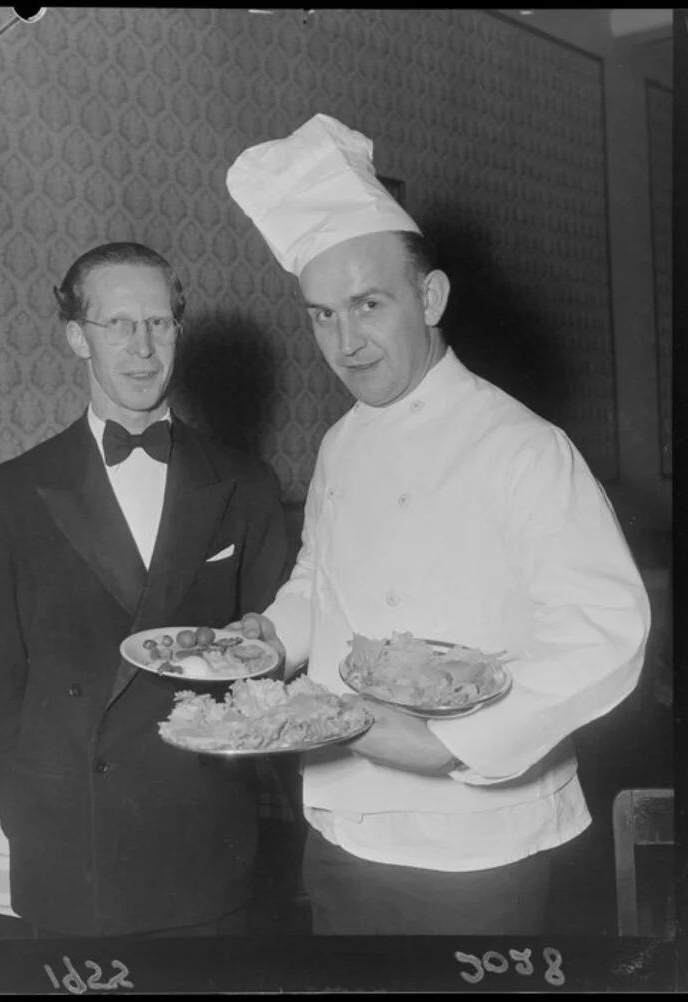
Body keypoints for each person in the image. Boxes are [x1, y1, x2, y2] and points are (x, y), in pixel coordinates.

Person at [225, 114, 652, 935]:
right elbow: (321, 580)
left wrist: (461, 745)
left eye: (368, 304)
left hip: (476, 843)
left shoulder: (523, 446)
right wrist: (269, 639)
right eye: (321, 315)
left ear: (431, 296)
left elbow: (608, 631)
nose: (345, 343)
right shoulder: (341, 442)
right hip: (343, 822)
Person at [0, 242, 290, 938]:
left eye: (160, 324)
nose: (144, 348)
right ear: (77, 337)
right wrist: (36, 818)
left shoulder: (248, 485)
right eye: (119, 325)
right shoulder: (4, 495)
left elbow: (276, 663)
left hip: (205, 847)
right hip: (72, 851)